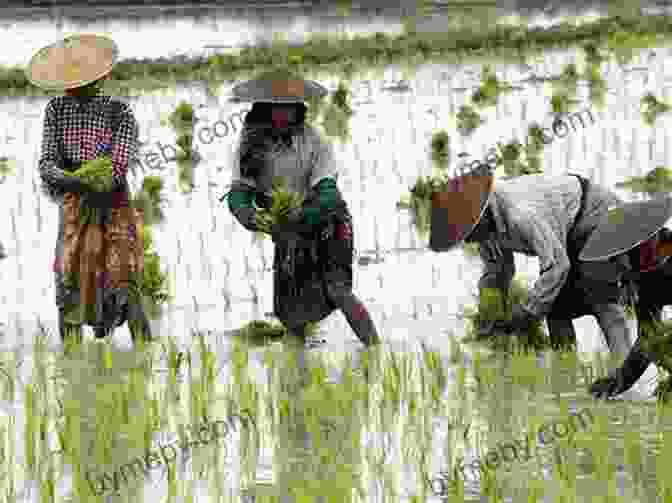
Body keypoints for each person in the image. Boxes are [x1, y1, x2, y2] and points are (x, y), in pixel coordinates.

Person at [222, 70, 380, 348]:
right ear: (263, 110)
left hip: (327, 221)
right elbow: (238, 195)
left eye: (289, 109)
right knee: (290, 311)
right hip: (286, 228)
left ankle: (376, 351)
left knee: (338, 290)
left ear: (299, 110)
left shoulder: (313, 140)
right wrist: (252, 217)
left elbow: (328, 192)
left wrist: (301, 214)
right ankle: (295, 373)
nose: (282, 116)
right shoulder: (248, 148)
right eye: (275, 109)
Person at [429, 167, 632, 358]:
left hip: (594, 213)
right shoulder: (484, 230)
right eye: (463, 235)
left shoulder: (521, 214)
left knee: (602, 299)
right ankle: (568, 375)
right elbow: (497, 271)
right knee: (555, 308)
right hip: (563, 227)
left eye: (468, 233)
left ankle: (625, 373)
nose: (468, 240)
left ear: (480, 216)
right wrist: (490, 313)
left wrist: (528, 312)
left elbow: (557, 266)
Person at [28, 34, 152, 345]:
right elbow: (47, 164)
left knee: (124, 283)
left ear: (100, 76)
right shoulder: (56, 110)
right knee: (69, 284)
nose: (78, 84)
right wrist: (76, 180)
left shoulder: (118, 112)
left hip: (114, 208)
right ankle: (71, 365)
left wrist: (97, 178)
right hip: (75, 209)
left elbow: (118, 165)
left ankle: (148, 359)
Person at [581, 196, 672, 398]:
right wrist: (619, 382)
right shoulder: (646, 282)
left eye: (620, 257)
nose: (619, 265)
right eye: (615, 258)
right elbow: (648, 339)